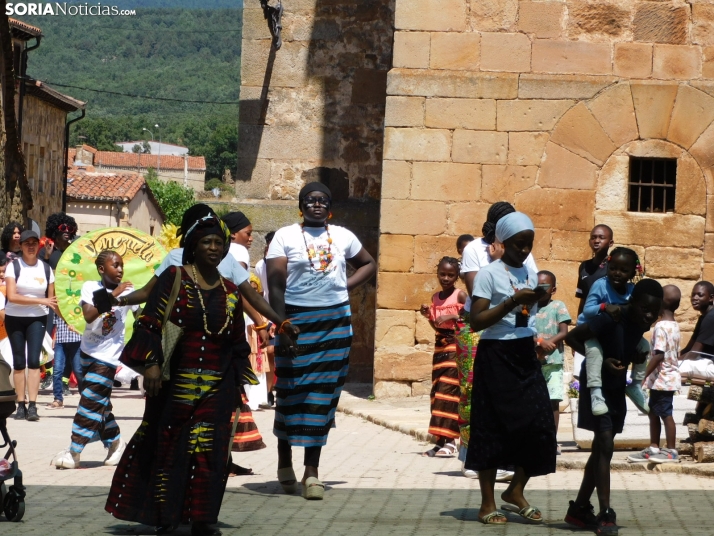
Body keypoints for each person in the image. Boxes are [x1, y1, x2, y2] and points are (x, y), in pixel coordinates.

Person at [105, 212, 295, 536]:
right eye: (206, 241)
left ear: (224, 250)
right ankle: (166, 517)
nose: (212, 247)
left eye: (218, 243)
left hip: (216, 386)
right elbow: (150, 320)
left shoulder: (231, 290)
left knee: (211, 451)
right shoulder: (174, 276)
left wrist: (280, 325)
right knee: (170, 447)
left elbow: (237, 339)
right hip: (175, 383)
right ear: (193, 245)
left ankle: (204, 520)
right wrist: (151, 363)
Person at [267, 181, 377, 500]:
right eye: (310, 200)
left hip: (335, 324)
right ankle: (284, 459)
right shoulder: (285, 237)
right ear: (300, 207)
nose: (316, 204)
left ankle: (311, 472)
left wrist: (344, 285)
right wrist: (281, 324)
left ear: (330, 208)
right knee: (290, 392)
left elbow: (368, 264)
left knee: (323, 397)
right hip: (296, 323)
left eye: (322, 200)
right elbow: (275, 287)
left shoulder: (343, 236)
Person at [465, 212, 555, 525]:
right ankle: (487, 502)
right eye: (518, 244)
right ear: (502, 242)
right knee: (491, 426)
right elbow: (476, 321)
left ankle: (515, 490)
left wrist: (536, 300)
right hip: (496, 354)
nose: (524, 250)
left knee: (541, 424)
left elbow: (527, 314)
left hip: (524, 353)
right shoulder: (489, 274)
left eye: (528, 244)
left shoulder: (530, 272)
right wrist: (511, 302)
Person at [565, 279, 663, 535]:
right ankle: (605, 512)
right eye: (644, 309)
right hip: (595, 387)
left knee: (600, 449)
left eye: (654, 312)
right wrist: (602, 360)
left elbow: (627, 349)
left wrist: (633, 358)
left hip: (617, 389)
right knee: (605, 444)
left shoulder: (639, 327)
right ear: (632, 303)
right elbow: (572, 338)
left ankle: (578, 510)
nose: (649, 316)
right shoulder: (611, 319)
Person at [460, 201, 537, 483]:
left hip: (520, 344)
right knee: (480, 405)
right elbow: (478, 305)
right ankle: (474, 459)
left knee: (529, 415)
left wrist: (529, 320)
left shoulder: (525, 263)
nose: (525, 249)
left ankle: (513, 473)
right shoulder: (477, 254)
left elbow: (526, 305)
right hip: (489, 339)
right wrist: (513, 300)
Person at [50, 251, 136, 469]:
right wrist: (113, 294)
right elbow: (89, 315)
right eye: (115, 265)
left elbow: (143, 314)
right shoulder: (91, 287)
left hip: (108, 359)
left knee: (88, 403)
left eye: (121, 266)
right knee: (100, 405)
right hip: (87, 354)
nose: (120, 270)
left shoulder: (129, 291)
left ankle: (74, 451)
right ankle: (116, 442)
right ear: (101, 269)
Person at [579, 247, 649, 416]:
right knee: (594, 352)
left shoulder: (632, 291)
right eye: (613, 269)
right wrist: (604, 307)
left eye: (624, 270)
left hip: (616, 332)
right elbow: (587, 310)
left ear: (633, 273)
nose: (617, 273)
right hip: (593, 330)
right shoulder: (600, 285)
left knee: (645, 345)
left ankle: (636, 385)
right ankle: (596, 393)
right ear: (607, 268)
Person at [5, 230, 57, 422]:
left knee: (34, 361)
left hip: (37, 319)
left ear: (38, 246)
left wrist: (66, 323)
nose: (30, 246)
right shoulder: (14, 267)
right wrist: (42, 301)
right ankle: (20, 404)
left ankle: (33, 406)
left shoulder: (46, 269)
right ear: (21, 246)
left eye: (34, 243)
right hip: (14, 317)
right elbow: (12, 296)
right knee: (19, 362)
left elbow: (52, 301)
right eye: (27, 243)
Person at [628, 285, 682, 464]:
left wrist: (643, 374)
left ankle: (672, 451)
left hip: (663, 379)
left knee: (665, 414)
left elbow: (658, 355)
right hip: (667, 377)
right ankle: (654, 447)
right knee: (654, 412)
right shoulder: (674, 326)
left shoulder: (660, 327)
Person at [419, 257, 466, 458]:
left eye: (450, 275)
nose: (446, 278)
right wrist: (428, 316)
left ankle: (452, 441)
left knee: (449, 392)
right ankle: (440, 441)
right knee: (437, 392)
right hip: (440, 348)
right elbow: (436, 325)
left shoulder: (461, 296)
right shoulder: (435, 297)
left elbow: (468, 319)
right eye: (442, 274)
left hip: (455, 346)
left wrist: (451, 316)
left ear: (457, 277)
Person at [534, 270, 572, 456]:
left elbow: (564, 331)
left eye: (545, 286)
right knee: (533, 402)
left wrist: (550, 342)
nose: (540, 290)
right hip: (533, 362)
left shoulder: (558, 306)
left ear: (553, 289)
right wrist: (540, 343)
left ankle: (551, 441)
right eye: (537, 286)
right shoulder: (529, 308)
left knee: (553, 402)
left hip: (553, 362)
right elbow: (525, 331)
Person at [576, 225, 614, 317]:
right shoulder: (584, 266)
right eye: (593, 238)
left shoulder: (613, 266)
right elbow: (583, 298)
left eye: (601, 238)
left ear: (611, 243)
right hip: (587, 319)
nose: (596, 241)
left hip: (605, 318)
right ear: (589, 242)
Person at [680, 281, 714, 359]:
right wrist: (672, 358)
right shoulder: (703, 318)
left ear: (711, 298)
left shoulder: (711, 318)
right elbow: (688, 349)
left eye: (700, 295)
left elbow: (694, 354)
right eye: (693, 294)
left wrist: (670, 363)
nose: (694, 298)